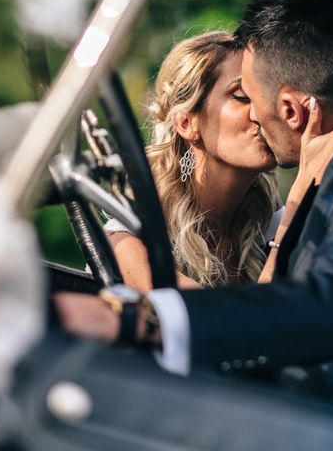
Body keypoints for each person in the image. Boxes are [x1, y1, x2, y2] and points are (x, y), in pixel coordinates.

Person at [57, 0, 333, 440]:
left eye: (253, 96)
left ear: (292, 109)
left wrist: (137, 319)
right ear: (187, 123)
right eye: (239, 95)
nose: (254, 116)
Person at [106, 31, 279, 291]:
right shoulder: (128, 238)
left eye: (266, 96)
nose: (263, 112)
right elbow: (215, 321)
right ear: (186, 124)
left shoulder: (271, 227)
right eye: (242, 96)